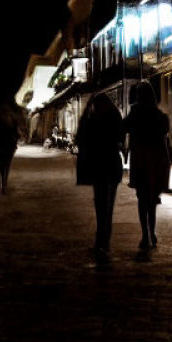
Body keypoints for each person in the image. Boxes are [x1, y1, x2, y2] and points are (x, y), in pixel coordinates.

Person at [122, 81, 170, 251]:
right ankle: (152, 232)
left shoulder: (135, 113)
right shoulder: (159, 115)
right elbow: (165, 129)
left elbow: (123, 127)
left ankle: (145, 235)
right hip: (157, 162)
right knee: (152, 201)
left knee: (143, 200)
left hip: (141, 161)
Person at [76, 93, 124, 260]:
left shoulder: (93, 120)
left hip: (99, 165)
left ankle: (101, 239)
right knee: (107, 204)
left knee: (101, 203)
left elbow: (80, 137)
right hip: (112, 164)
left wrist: (86, 111)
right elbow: (121, 138)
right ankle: (104, 240)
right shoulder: (114, 116)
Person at [0, 100, 21, 194]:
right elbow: (17, 134)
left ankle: (3, 180)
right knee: (7, 165)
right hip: (9, 144)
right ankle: (4, 181)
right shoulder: (13, 118)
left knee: (1, 164)